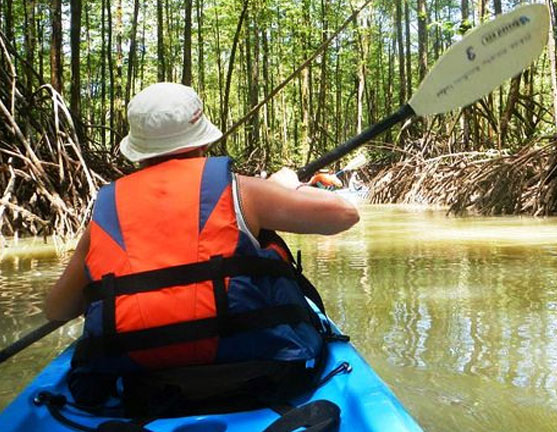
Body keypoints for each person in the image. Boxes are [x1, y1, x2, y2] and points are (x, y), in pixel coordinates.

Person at [44, 82, 359, 413]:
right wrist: (289, 187)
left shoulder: (106, 211)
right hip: (260, 376)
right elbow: (344, 215)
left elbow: (58, 309)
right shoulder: (243, 192)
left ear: (136, 150)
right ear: (204, 140)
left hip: (146, 387)